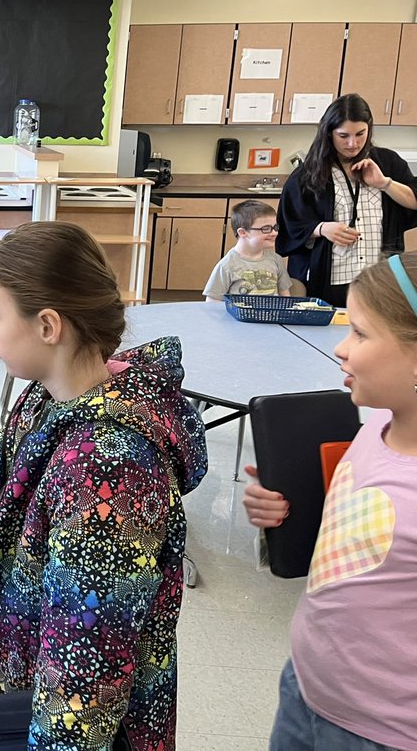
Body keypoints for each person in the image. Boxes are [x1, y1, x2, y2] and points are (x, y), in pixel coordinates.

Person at [0, 221, 208, 750]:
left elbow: (84, 679)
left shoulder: (106, 472)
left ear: (48, 325)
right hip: (16, 687)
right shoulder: (49, 396)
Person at [243, 251, 417, 750]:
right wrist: (283, 513)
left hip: (385, 732)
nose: (341, 349)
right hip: (307, 686)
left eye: (360, 333)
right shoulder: (374, 428)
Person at [277, 93, 417, 306]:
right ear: (329, 133)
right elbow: (290, 225)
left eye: (360, 134)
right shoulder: (307, 175)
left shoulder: (388, 163)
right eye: (343, 136)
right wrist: (322, 228)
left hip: (378, 278)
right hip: (329, 279)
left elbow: (413, 201)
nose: (353, 143)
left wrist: (385, 183)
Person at [204, 200, 293, 302]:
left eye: (275, 227)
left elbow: (285, 297)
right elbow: (212, 303)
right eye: (266, 228)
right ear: (243, 232)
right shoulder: (227, 265)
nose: (274, 233)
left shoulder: (276, 260)